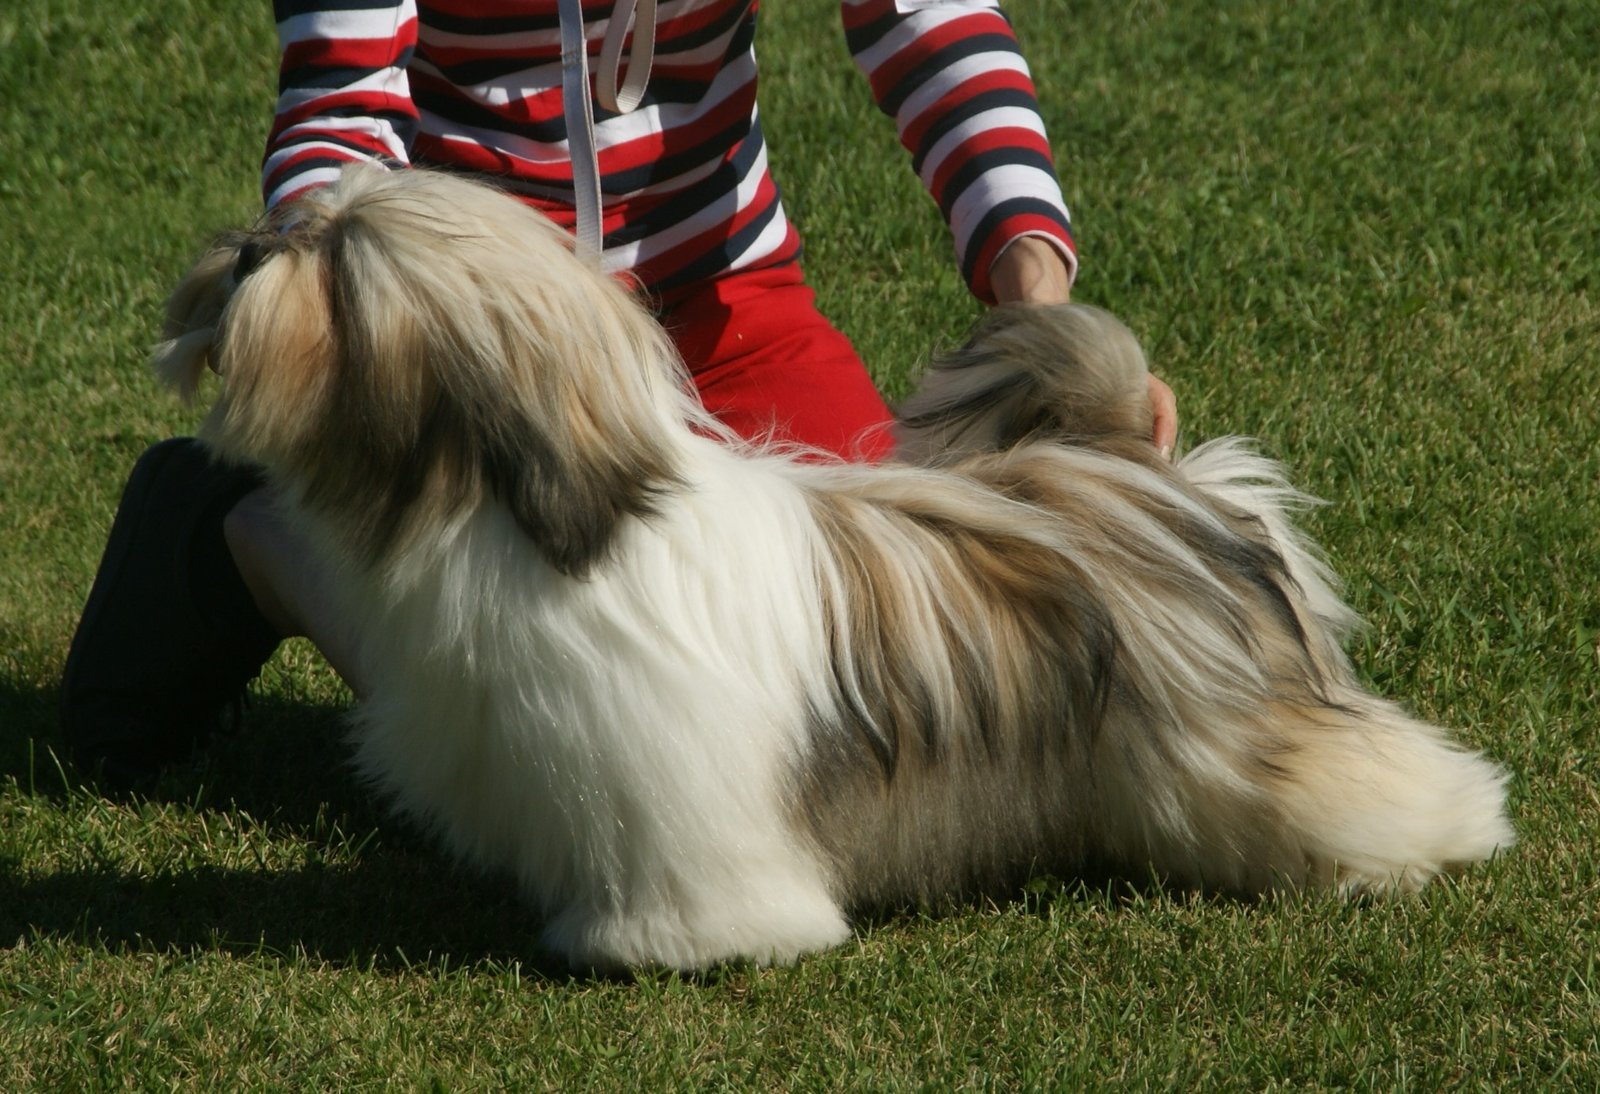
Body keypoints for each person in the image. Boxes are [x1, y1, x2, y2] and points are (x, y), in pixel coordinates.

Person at [61, 0, 1178, 786]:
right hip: (479, 349)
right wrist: (335, 331)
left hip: (720, 295)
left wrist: (1034, 303)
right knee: (556, 753)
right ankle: (252, 533)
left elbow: (923, 20)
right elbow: (338, 108)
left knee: (856, 663)